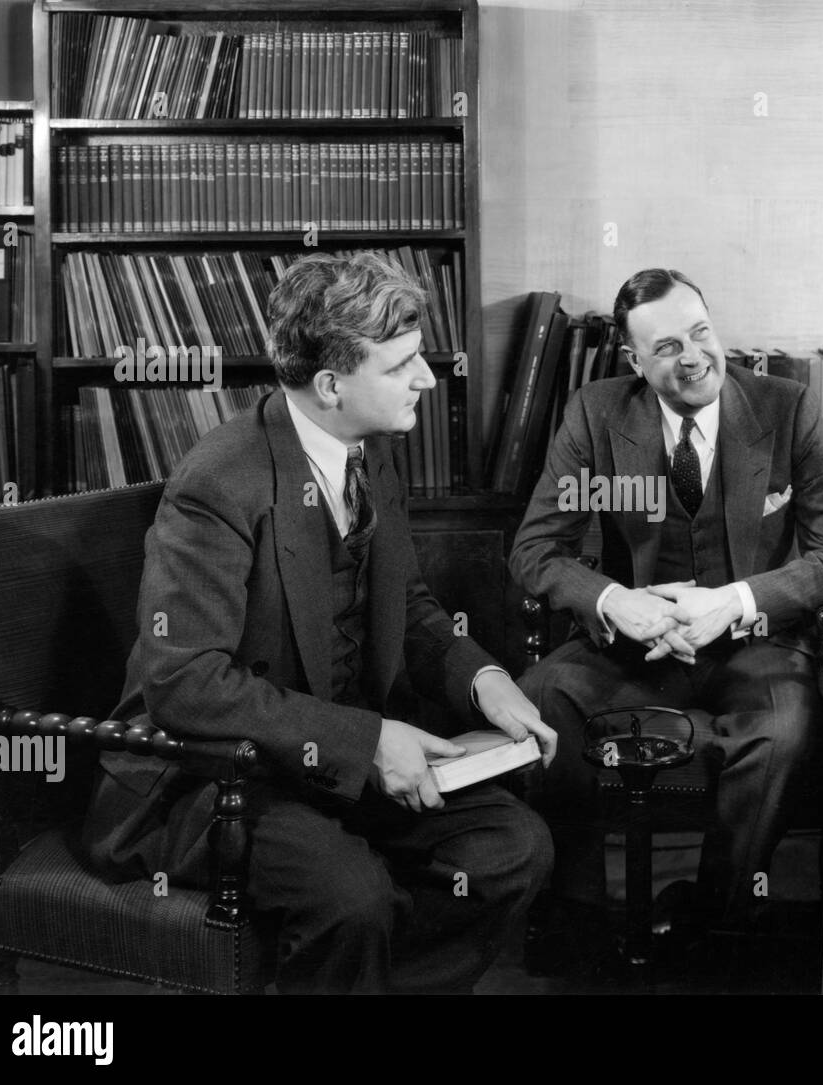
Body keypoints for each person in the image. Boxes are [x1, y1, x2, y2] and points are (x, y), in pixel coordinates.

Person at [82, 250, 555, 994]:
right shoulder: (218, 482)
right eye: (402, 366)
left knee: (510, 848)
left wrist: (484, 679)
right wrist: (365, 741)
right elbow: (186, 681)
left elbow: (412, 607)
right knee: (352, 898)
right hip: (220, 774)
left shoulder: (369, 452)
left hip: (337, 762)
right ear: (332, 385)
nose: (429, 379)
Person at [509, 268, 823, 951]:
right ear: (635, 360)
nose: (694, 355)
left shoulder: (787, 407)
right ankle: (581, 915)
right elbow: (535, 551)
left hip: (754, 644)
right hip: (630, 651)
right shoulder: (596, 411)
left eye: (701, 331)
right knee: (540, 696)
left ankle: (717, 917)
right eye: (668, 346)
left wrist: (736, 599)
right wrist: (616, 600)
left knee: (786, 729)